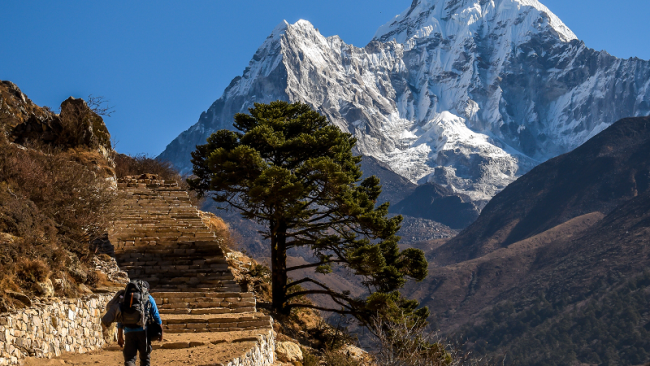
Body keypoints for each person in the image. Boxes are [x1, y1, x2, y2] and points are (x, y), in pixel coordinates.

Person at [116, 282, 163, 366]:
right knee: (145, 360)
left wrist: (120, 336)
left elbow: (120, 318)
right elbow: (156, 317)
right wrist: (161, 333)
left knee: (129, 359)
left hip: (128, 332)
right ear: (147, 289)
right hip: (144, 332)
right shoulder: (148, 297)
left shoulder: (125, 298)